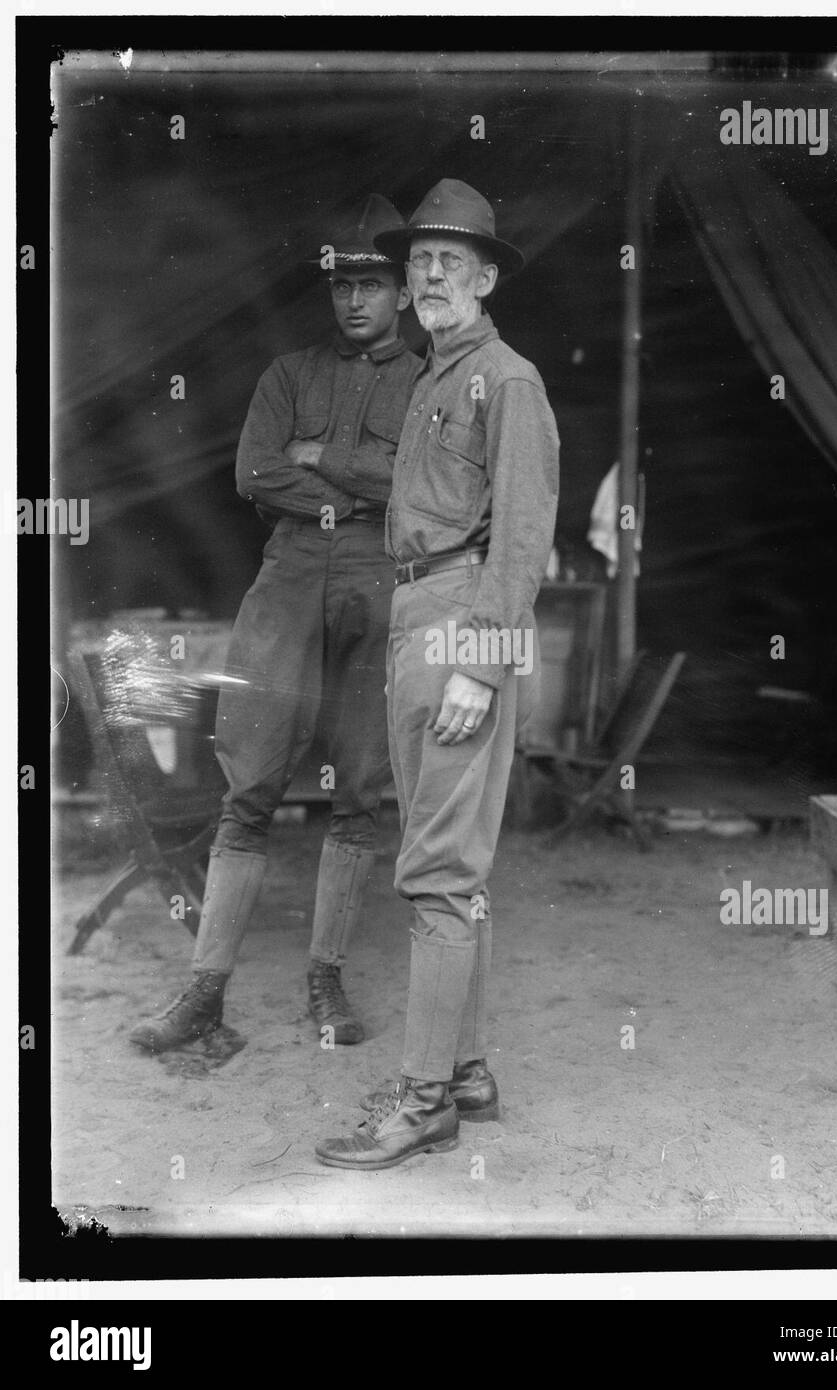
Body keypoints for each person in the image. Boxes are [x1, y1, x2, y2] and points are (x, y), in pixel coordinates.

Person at [130, 195, 420, 1053]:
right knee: (248, 787)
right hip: (289, 575)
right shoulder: (287, 375)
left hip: (379, 579)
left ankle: (324, 981)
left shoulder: (431, 382)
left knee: (360, 791)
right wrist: (351, 482)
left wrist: (322, 456)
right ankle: (204, 993)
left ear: (403, 291)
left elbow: (417, 489)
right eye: (342, 285)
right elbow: (255, 474)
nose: (355, 299)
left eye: (372, 283)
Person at [314, 178, 559, 1169]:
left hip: (462, 626)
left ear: (487, 277)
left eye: (450, 262)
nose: (429, 278)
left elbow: (523, 536)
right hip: (418, 614)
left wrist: (483, 664)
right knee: (448, 866)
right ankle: (463, 1073)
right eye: (419, 262)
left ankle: (421, 1104)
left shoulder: (507, 381)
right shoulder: (431, 378)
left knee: (437, 878)